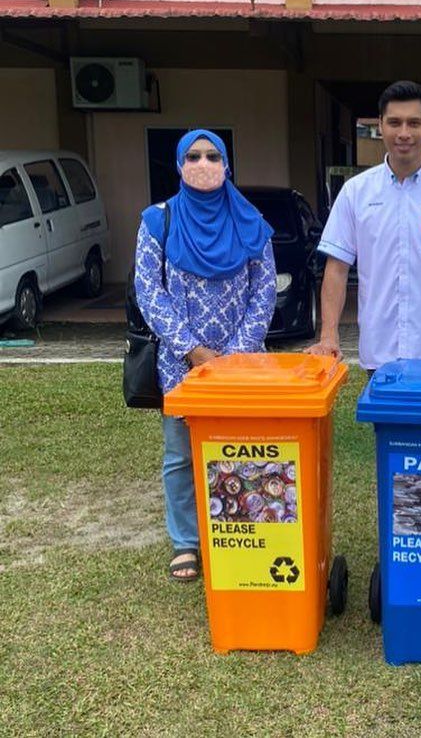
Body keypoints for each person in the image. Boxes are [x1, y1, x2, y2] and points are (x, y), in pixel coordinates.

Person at [135, 129, 277, 581]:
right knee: (181, 455)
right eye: (193, 156)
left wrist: (233, 354)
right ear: (178, 165)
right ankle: (186, 542)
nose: (203, 163)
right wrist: (193, 351)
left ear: (227, 164)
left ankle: (237, 530)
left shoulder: (250, 219)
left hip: (241, 362)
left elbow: (265, 289)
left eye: (213, 155)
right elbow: (148, 291)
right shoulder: (158, 221)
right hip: (181, 363)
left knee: (238, 448)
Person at [306, 81, 421, 371]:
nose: (404, 133)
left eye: (414, 123)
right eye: (394, 122)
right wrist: (329, 335)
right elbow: (337, 269)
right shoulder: (356, 193)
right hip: (380, 353)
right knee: (387, 419)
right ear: (380, 125)